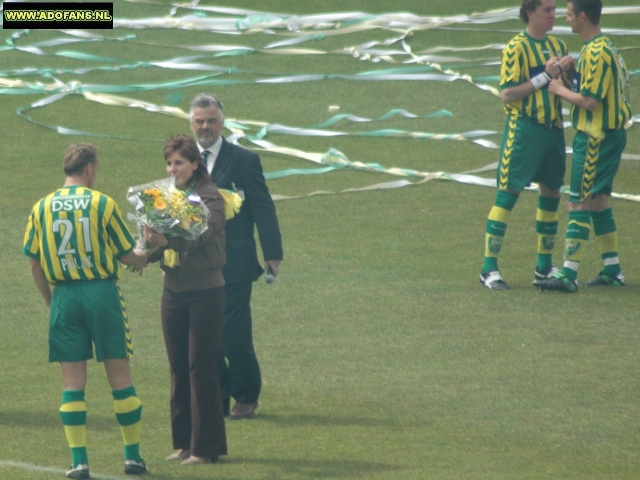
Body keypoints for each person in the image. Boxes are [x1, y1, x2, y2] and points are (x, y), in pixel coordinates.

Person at [22, 143, 149, 480]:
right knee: (120, 378)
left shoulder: (41, 207)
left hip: (63, 296)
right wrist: (146, 252)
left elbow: (34, 265)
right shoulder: (102, 203)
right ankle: (133, 459)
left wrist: (52, 303)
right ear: (90, 168)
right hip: (101, 294)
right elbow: (126, 256)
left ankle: (79, 463)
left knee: (72, 385)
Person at [189, 93, 283, 419]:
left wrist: (273, 253)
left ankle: (246, 395)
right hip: (195, 264)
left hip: (236, 263)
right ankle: (219, 395)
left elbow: (262, 207)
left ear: (222, 122)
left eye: (211, 121)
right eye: (199, 121)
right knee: (204, 333)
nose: (205, 127)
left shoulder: (244, 160)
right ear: (191, 122)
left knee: (234, 333)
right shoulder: (182, 160)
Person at [535, 0, 632, 293]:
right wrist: (571, 74)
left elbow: (590, 102)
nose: (565, 20)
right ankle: (612, 269)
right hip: (610, 135)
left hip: (594, 137)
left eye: (568, 15)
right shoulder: (604, 47)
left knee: (577, 201)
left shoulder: (597, 52)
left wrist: (559, 88)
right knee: (599, 200)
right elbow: (590, 88)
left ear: (582, 16)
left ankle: (568, 273)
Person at [144, 134, 228, 464]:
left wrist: (166, 241)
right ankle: (183, 443)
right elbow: (158, 240)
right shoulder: (164, 196)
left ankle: (205, 449)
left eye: (179, 162)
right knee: (178, 368)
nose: (172, 168)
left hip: (206, 292)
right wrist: (146, 247)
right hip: (173, 293)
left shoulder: (210, 196)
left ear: (195, 164)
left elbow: (197, 237)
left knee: (200, 368)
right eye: (169, 162)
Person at [479, 0, 568, 290]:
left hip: (553, 129)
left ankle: (544, 266)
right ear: (530, 13)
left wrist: (570, 73)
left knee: (552, 192)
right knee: (509, 192)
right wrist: (546, 76)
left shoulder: (558, 45)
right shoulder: (516, 47)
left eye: (555, 10)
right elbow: (507, 94)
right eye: (547, 10)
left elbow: (567, 88)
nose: (553, 15)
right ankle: (488, 269)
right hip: (524, 129)